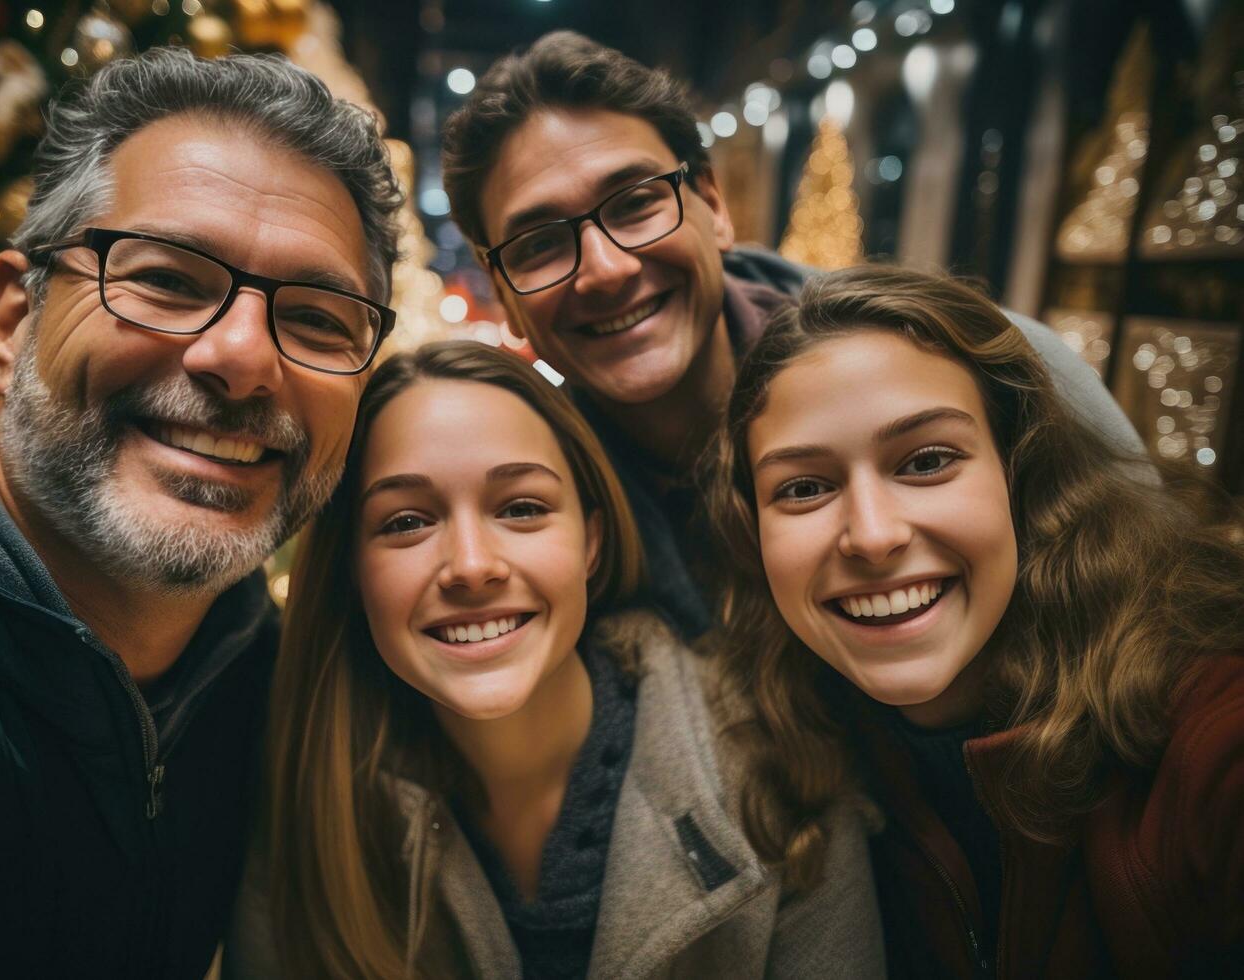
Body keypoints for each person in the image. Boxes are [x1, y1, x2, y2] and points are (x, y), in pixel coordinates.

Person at [0, 48, 401, 978]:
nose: (241, 358)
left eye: (316, 319)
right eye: (167, 279)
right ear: (10, 324)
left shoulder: (286, 694)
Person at [441, 30, 1146, 641]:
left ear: (714, 207)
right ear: (502, 291)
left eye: (635, 204)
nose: (606, 268)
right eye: (538, 244)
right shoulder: (537, 514)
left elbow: (1156, 613)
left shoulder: (992, 370)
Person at [225, 341, 884, 979]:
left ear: (590, 543)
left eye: (521, 508)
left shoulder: (782, 771)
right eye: (406, 522)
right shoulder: (301, 803)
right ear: (352, 571)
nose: (472, 567)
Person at [702, 265, 1244, 978]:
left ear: (1019, 472)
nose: (872, 536)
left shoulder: (1205, 736)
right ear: (755, 533)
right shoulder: (790, 745)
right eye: (804, 488)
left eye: (926, 461)